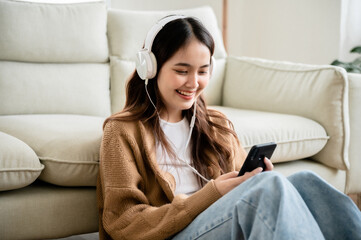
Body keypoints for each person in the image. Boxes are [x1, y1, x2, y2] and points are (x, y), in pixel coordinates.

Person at [97, 15, 361, 240]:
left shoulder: (216, 125)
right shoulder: (122, 131)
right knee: (269, 190)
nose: (193, 83)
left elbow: (243, 188)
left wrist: (253, 178)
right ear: (150, 68)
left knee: (304, 182)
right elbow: (123, 222)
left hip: (215, 226)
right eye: (182, 70)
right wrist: (211, 194)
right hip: (171, 233)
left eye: (202, 71)